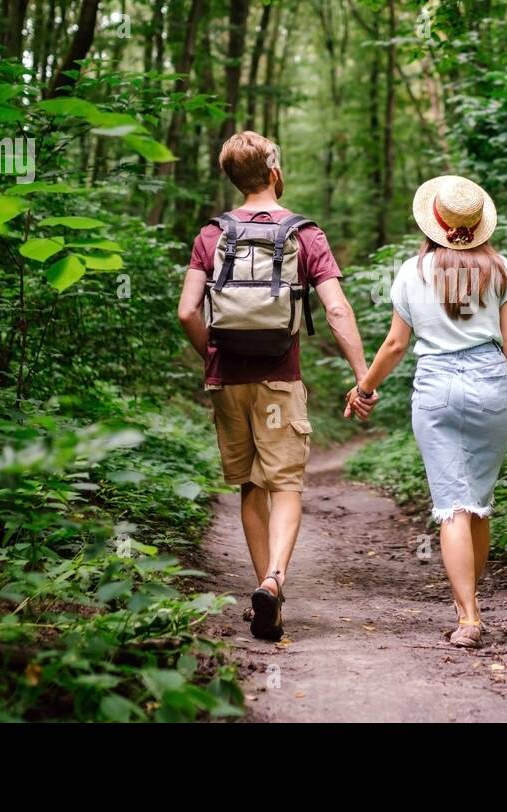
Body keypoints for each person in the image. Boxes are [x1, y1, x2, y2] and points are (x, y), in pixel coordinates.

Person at [178, 131, 374, 641]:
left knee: (251, 485)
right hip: (279, 378)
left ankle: (264, 586)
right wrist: (362, 377)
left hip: (229, 382)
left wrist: (214, 356)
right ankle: (274, 579)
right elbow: (335, 309)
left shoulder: (211, 234)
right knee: (285, 483)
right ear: (275, 173)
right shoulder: (303, 234)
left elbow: (186, 311)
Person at [346, 175, 507, 648]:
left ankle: (468, 616)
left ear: (433, 223)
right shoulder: (503, 270)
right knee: (479, 504)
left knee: (453, 506)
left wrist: (364, 388)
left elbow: (395, 344)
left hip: (437, 387)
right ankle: (471, 604)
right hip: (492, 384)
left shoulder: (412, 272)